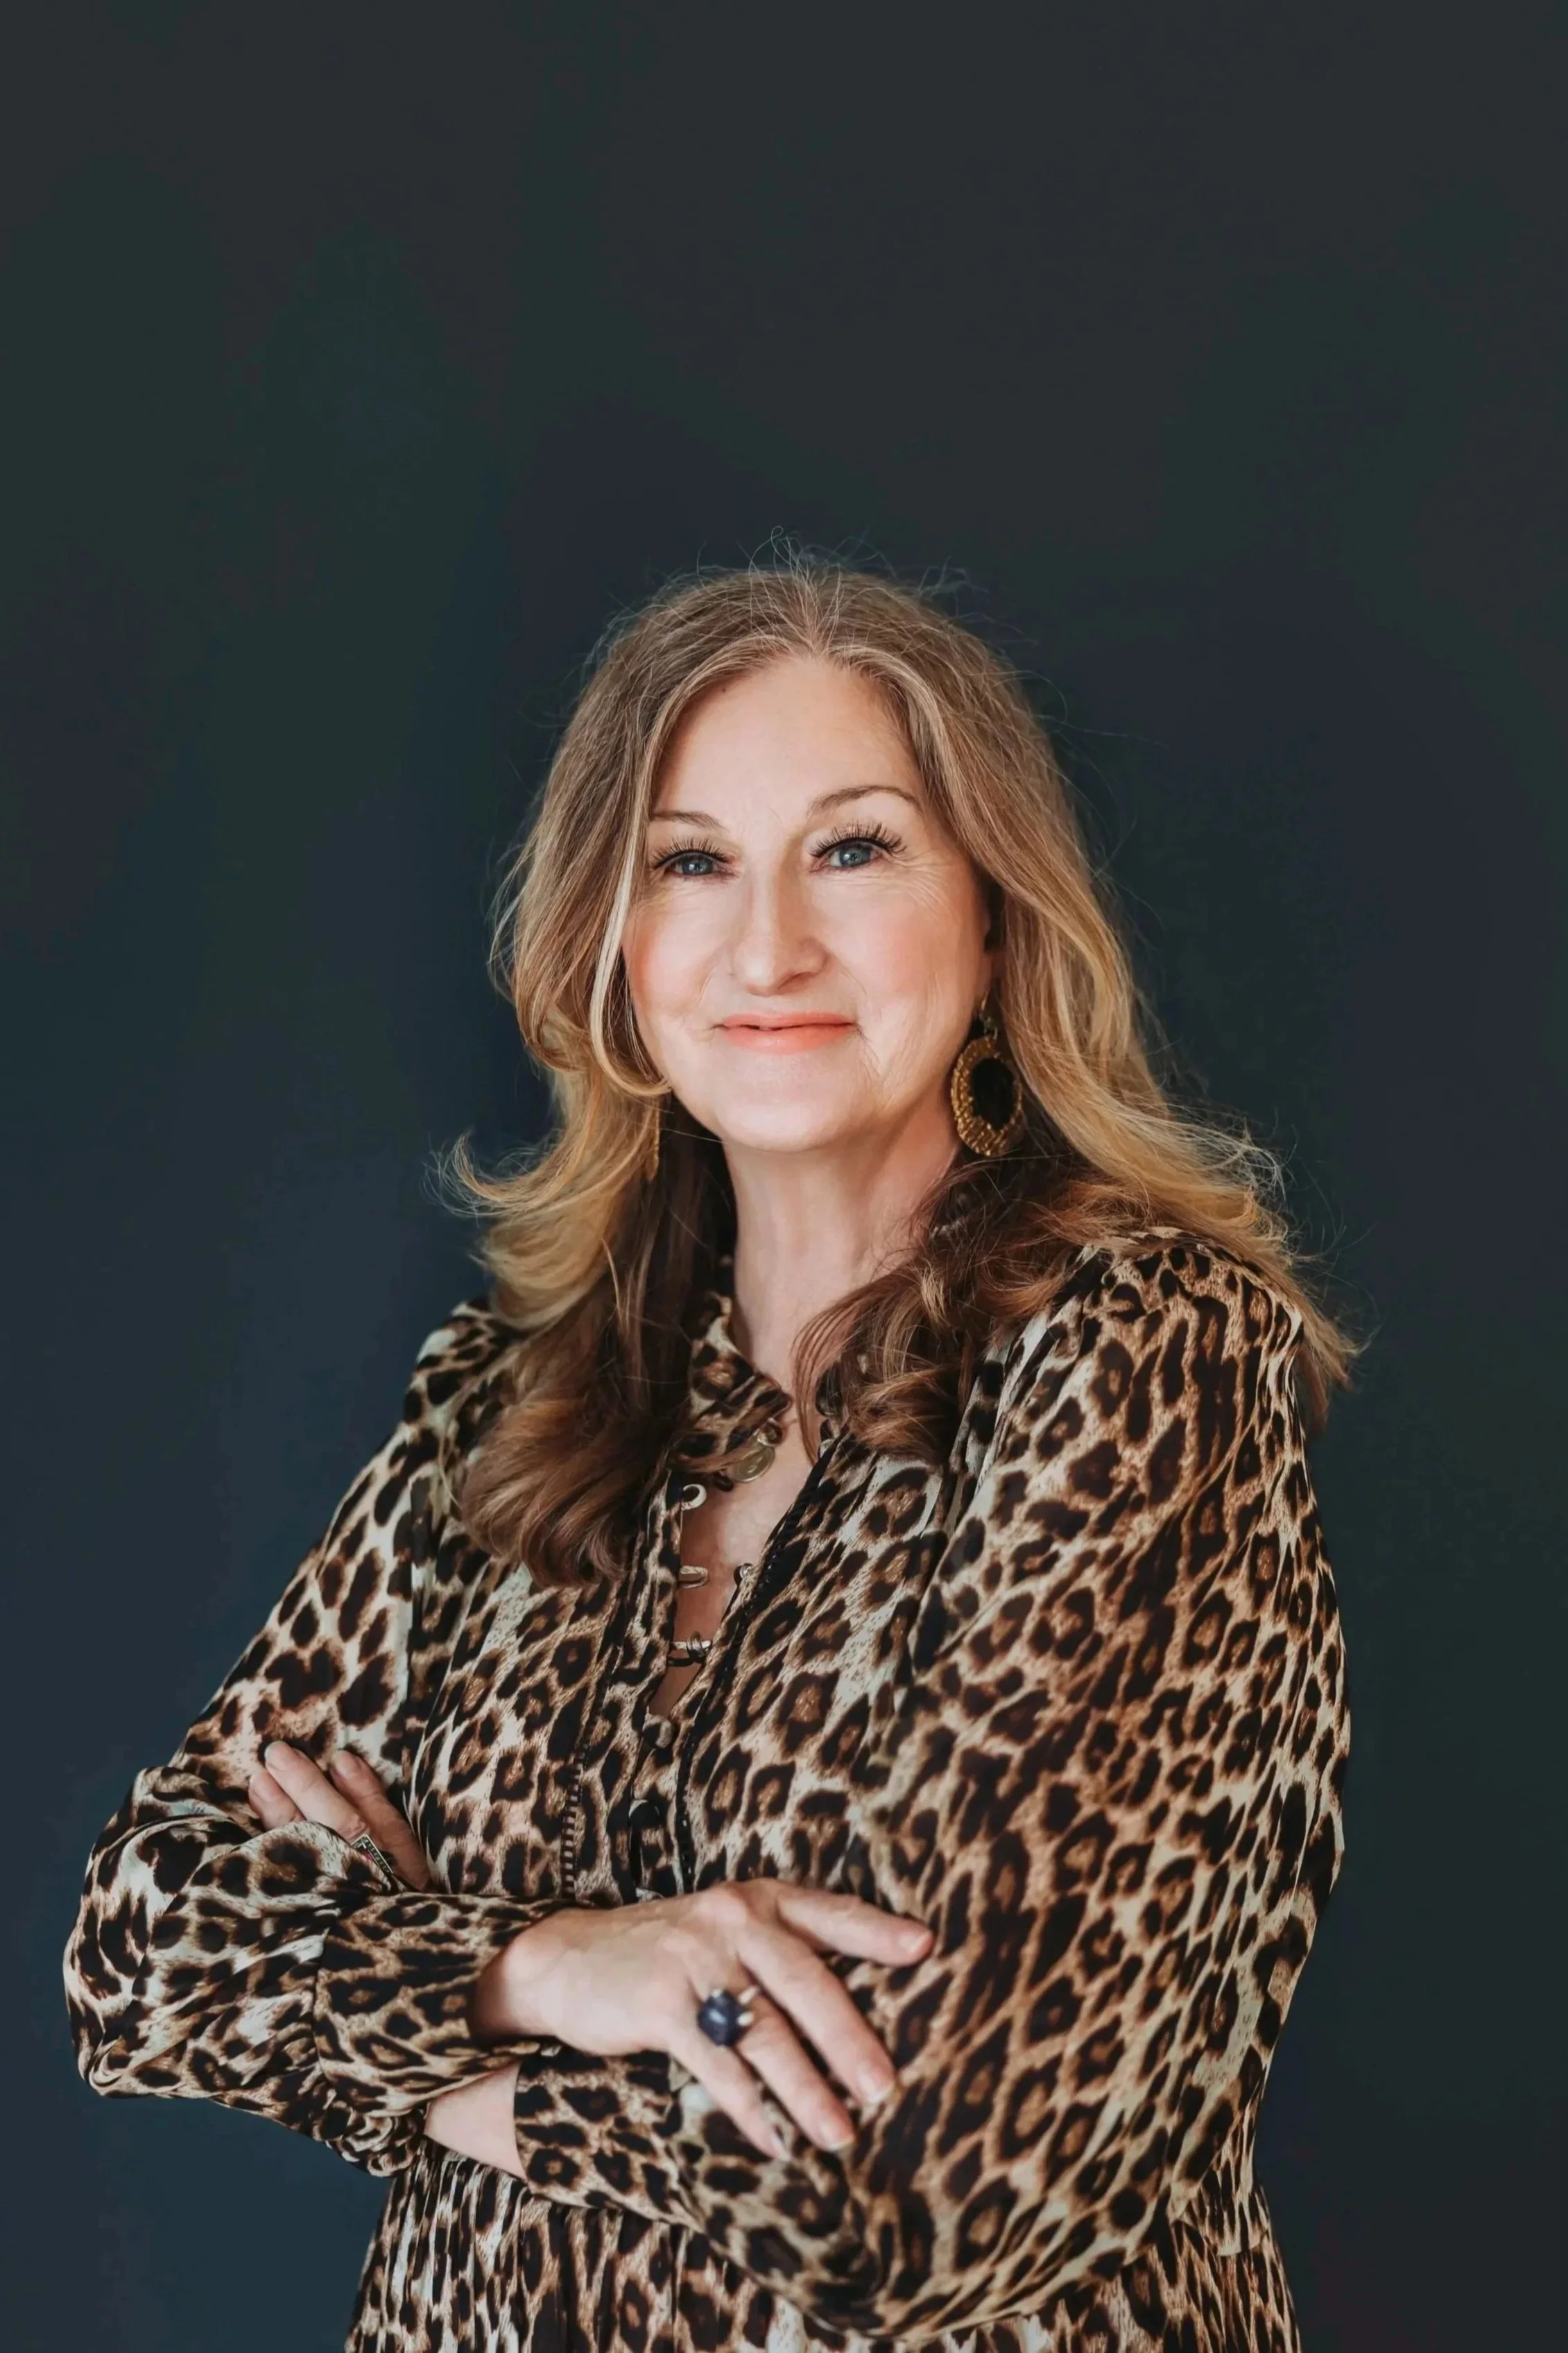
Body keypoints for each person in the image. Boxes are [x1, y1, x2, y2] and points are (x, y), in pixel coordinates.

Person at [65, 560, 1352, 2352]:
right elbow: (141, 1949)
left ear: (995, 923)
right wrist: (550, 1964)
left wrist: (423, 2056)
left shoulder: (1142, 1352)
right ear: (612, 946)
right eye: (688, 863)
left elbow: (908, 2199)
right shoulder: (505, 1399)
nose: (768, 950)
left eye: (854, 849)